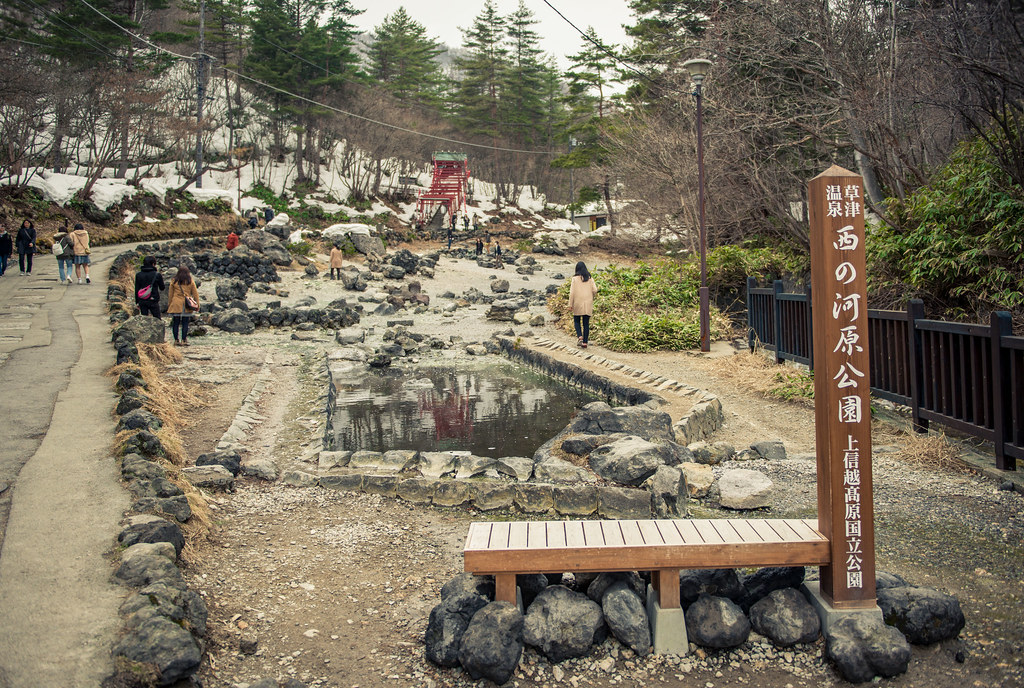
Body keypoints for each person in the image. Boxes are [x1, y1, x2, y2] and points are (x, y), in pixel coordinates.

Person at [166, 265, 200, 346]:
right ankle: (184, 340)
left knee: (176, 322)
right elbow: (195, 294)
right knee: (185, 322)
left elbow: (170, 294)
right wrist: (197, 304)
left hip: (176, 303)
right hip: (186, 304)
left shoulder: (174, 281)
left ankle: (176, 340)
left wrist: (169, 304)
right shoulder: (190, 281)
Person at [568, 261, 598, 349]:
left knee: (576, 320)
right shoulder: (589, 278)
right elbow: (595, 290)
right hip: (588, 303)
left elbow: (572, 292)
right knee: (586, 324)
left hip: (578, 302)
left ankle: (580, 336)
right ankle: (585, 342)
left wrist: (570, 304)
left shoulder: (574, 279)